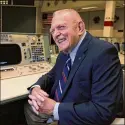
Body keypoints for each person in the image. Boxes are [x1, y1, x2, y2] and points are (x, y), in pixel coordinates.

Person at [24, 9, 123, 125]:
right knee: (29, 106)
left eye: (61, 27)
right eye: (52, 31)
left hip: (79, 115)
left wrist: (54, 109)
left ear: (80, 28)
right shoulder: (65, 52)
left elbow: (103, 111)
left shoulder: (103, 53)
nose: (56, 34)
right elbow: (51, 76)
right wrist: (36, 88)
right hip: (62, 105)